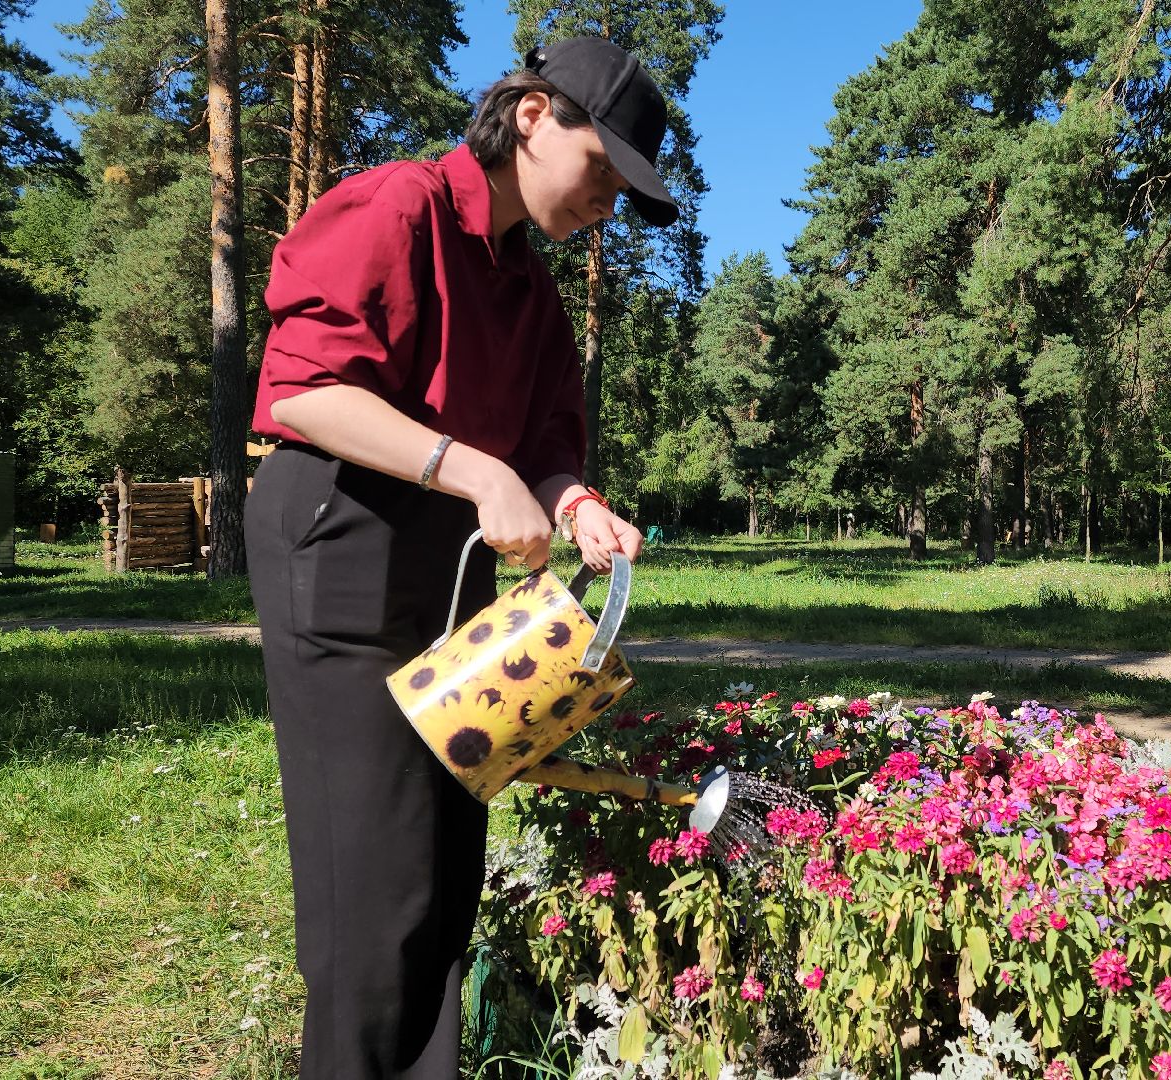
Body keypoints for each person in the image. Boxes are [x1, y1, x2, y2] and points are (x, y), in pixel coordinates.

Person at [243, 37, 675, 1079]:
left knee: (444, 867)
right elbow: (302, 389)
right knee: (375, 884)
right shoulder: (396, 207)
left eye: (625, 188)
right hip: (340, 540)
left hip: (450, 558)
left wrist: (575, 506)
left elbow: (544, 450)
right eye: (603, 170)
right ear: (534, 115)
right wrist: (475, 471)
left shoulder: (529, 290)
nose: (608, 204)